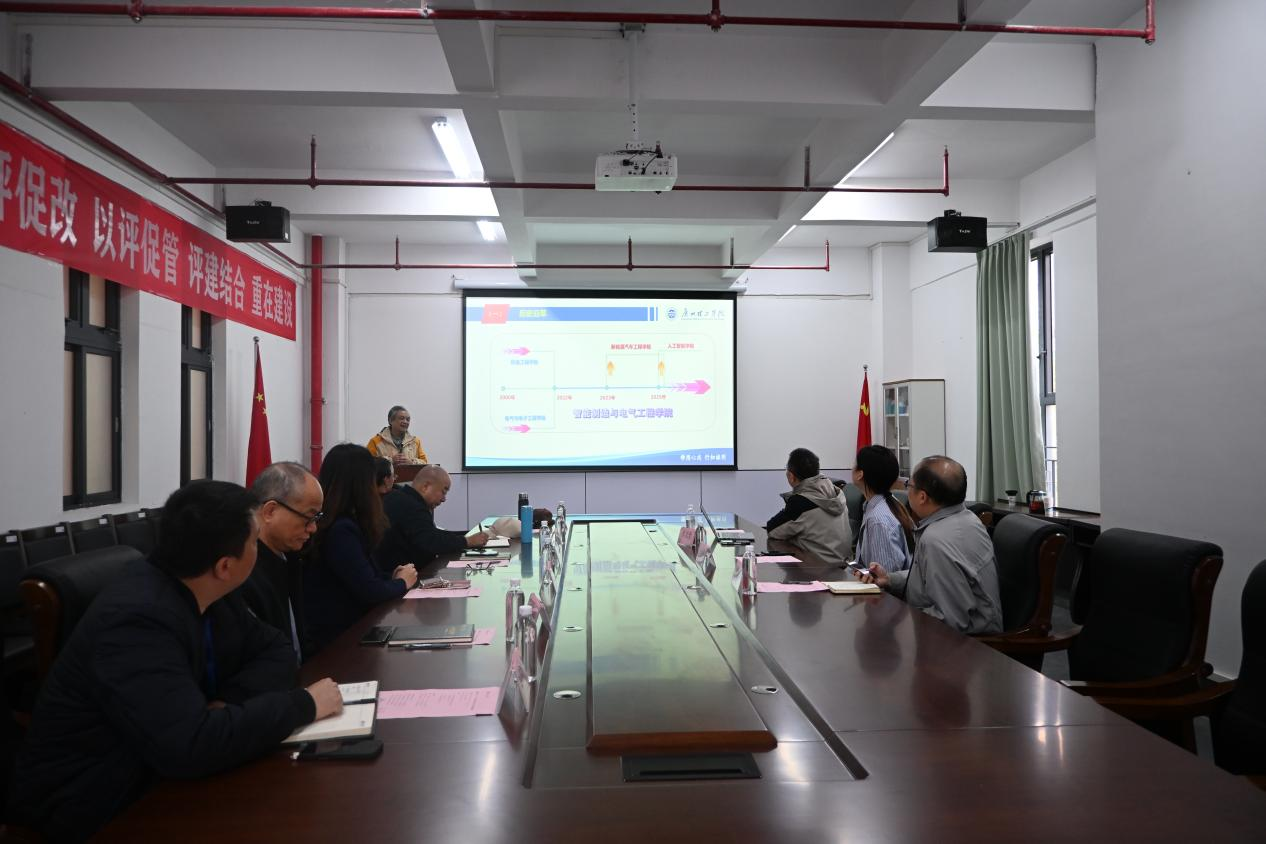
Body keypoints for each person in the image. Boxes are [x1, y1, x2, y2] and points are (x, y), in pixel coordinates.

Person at [8, 480, 343, 841]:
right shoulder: (136, 621)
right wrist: (304, 705)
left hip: (158, 771)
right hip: (95, 804)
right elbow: (190, 746)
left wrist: (228, 704)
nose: (257, 550)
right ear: (225, 565)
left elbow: (276, 650)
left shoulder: (207, 586)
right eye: (253, 542)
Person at [856, 455, 1003, 635]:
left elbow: (952, 620)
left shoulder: (936, 540)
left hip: (968, 644)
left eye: (909, 485)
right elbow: (929, 576)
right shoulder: (967, 518)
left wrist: (899, 618)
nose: (907, 489)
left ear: (922, 497)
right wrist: (890, 579)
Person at [304, 443, 419, 653]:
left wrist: (391, 577)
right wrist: (402, 583)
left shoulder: (341, 522)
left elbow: (365, 575)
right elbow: (369, 591)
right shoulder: (341, 529)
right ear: (361, 484)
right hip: (341, 641)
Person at [242, 461, 323, 663]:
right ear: (270, 511)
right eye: (308, 517)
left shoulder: (291, 556)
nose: (313, 528)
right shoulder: (243, 571)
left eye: (317, 518)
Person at [376, 463, 489, 571]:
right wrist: (467, 541)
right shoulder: (411, 506)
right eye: (443, 491)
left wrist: (466, 537)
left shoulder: (402, 497)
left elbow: (431, 533)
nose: (444, 499)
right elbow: (432, 541)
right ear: (426, 486)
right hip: (397, 578)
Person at [764, 447, 853, 566]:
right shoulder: (837, 491)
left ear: (791, 476)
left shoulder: (801, 502)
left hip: (818, 569)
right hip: (845, 568)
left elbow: (773, 530)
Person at [852, 444, 916, 573]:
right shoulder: (887, 502)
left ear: (860, 474)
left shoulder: (878, 520)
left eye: (854, 465)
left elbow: (886, 576)